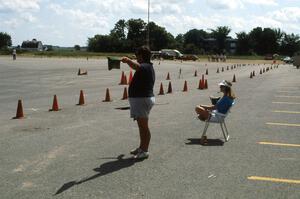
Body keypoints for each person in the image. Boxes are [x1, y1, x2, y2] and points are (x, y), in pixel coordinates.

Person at [121, 46, 155, 159]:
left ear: (141, 56)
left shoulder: (145, 66)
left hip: (142, 99)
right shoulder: (147, 67)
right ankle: (141, 147)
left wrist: (127, 60)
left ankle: (145, 151)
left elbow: (136, 66)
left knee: (144, 127)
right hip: (140, 100)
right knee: (141, 127)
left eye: (137, 55)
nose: (136, 58)